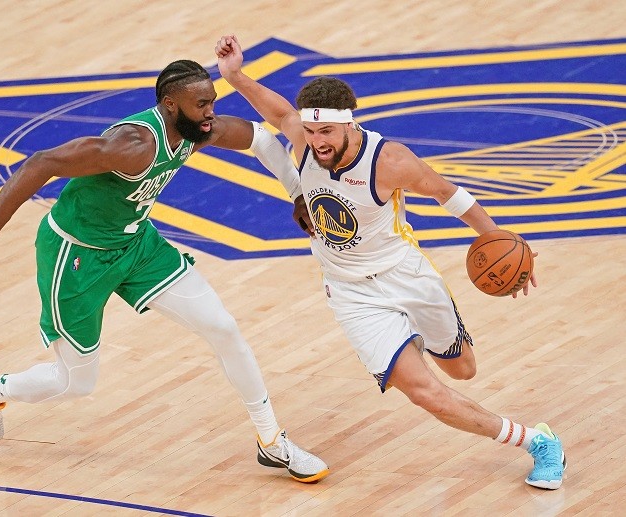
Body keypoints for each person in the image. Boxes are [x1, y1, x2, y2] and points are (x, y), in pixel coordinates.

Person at [0, 59, 328, 483]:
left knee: (223, 327)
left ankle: (271, 441)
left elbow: (262, 140)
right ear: (170, 106)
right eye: (201, 104)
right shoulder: (134, 145)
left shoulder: (199, 130)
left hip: (136, 245)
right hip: (77, 255)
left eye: (212, 101)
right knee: (77, 383)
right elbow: (42, 162)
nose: (211, 112)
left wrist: (299, 193)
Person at [215, 35, 566, 489]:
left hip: (406, 275)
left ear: (349, 125)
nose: (316, 141)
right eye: (311, 130)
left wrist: (504, 242)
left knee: (463, 370)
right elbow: (281, 112)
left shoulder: (389, 160)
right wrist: (235, 76)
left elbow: (450, 195)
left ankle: (413, 340)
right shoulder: (302, 139)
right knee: (428, 396)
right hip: (352, 293)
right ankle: (537, 442)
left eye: (326, 132)